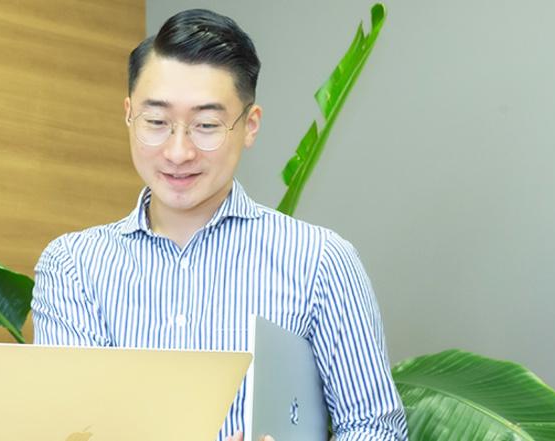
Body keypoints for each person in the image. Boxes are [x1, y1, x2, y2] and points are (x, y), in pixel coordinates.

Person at [31, 9, 408, 441]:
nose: (178, 152)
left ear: (250, 126)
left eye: (206, 125)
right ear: (129, 115)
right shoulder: (74, 266)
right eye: (156, 122)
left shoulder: (319, 262)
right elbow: (70, 429)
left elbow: (374, 426)